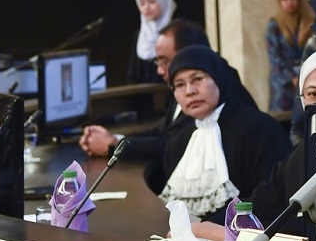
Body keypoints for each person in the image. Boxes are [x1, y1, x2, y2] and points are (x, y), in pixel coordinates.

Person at [190, 48, 316, 240]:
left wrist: (240, 235)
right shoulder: (303, 152)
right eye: (314, 94)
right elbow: (261, 204)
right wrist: (205, 226)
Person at [80, 20, 258, 183]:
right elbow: (164, 130)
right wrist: (115, 139)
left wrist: (113, 146)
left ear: (189, 54)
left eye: (165, 61)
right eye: (158, 61)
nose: (159, 70)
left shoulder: (216, 90)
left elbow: (173, 143)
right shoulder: (181, 85)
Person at [157, 45, 292, 224]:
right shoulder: (178, 143)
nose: (190, 91)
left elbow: (270, 201)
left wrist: (211, 226)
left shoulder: (259, 129)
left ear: (218, 78)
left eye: (198, 79)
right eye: (180, 85)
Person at [266, 0, 313, 112]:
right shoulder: (274, 25)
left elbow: (314, 52)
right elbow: (275, 58)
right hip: (282, 82)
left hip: (306, 78)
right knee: (282, 119)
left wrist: (302, 76)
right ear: (279, 1)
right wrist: (292, 77)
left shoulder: (309, 24)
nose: (290, 2)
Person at [127, 0, 176, 84]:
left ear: (163, 1)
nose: (146, 7)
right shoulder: (140, 35)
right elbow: (132, 75)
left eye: (152, 1)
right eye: (142, 3)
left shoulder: (176, 33)